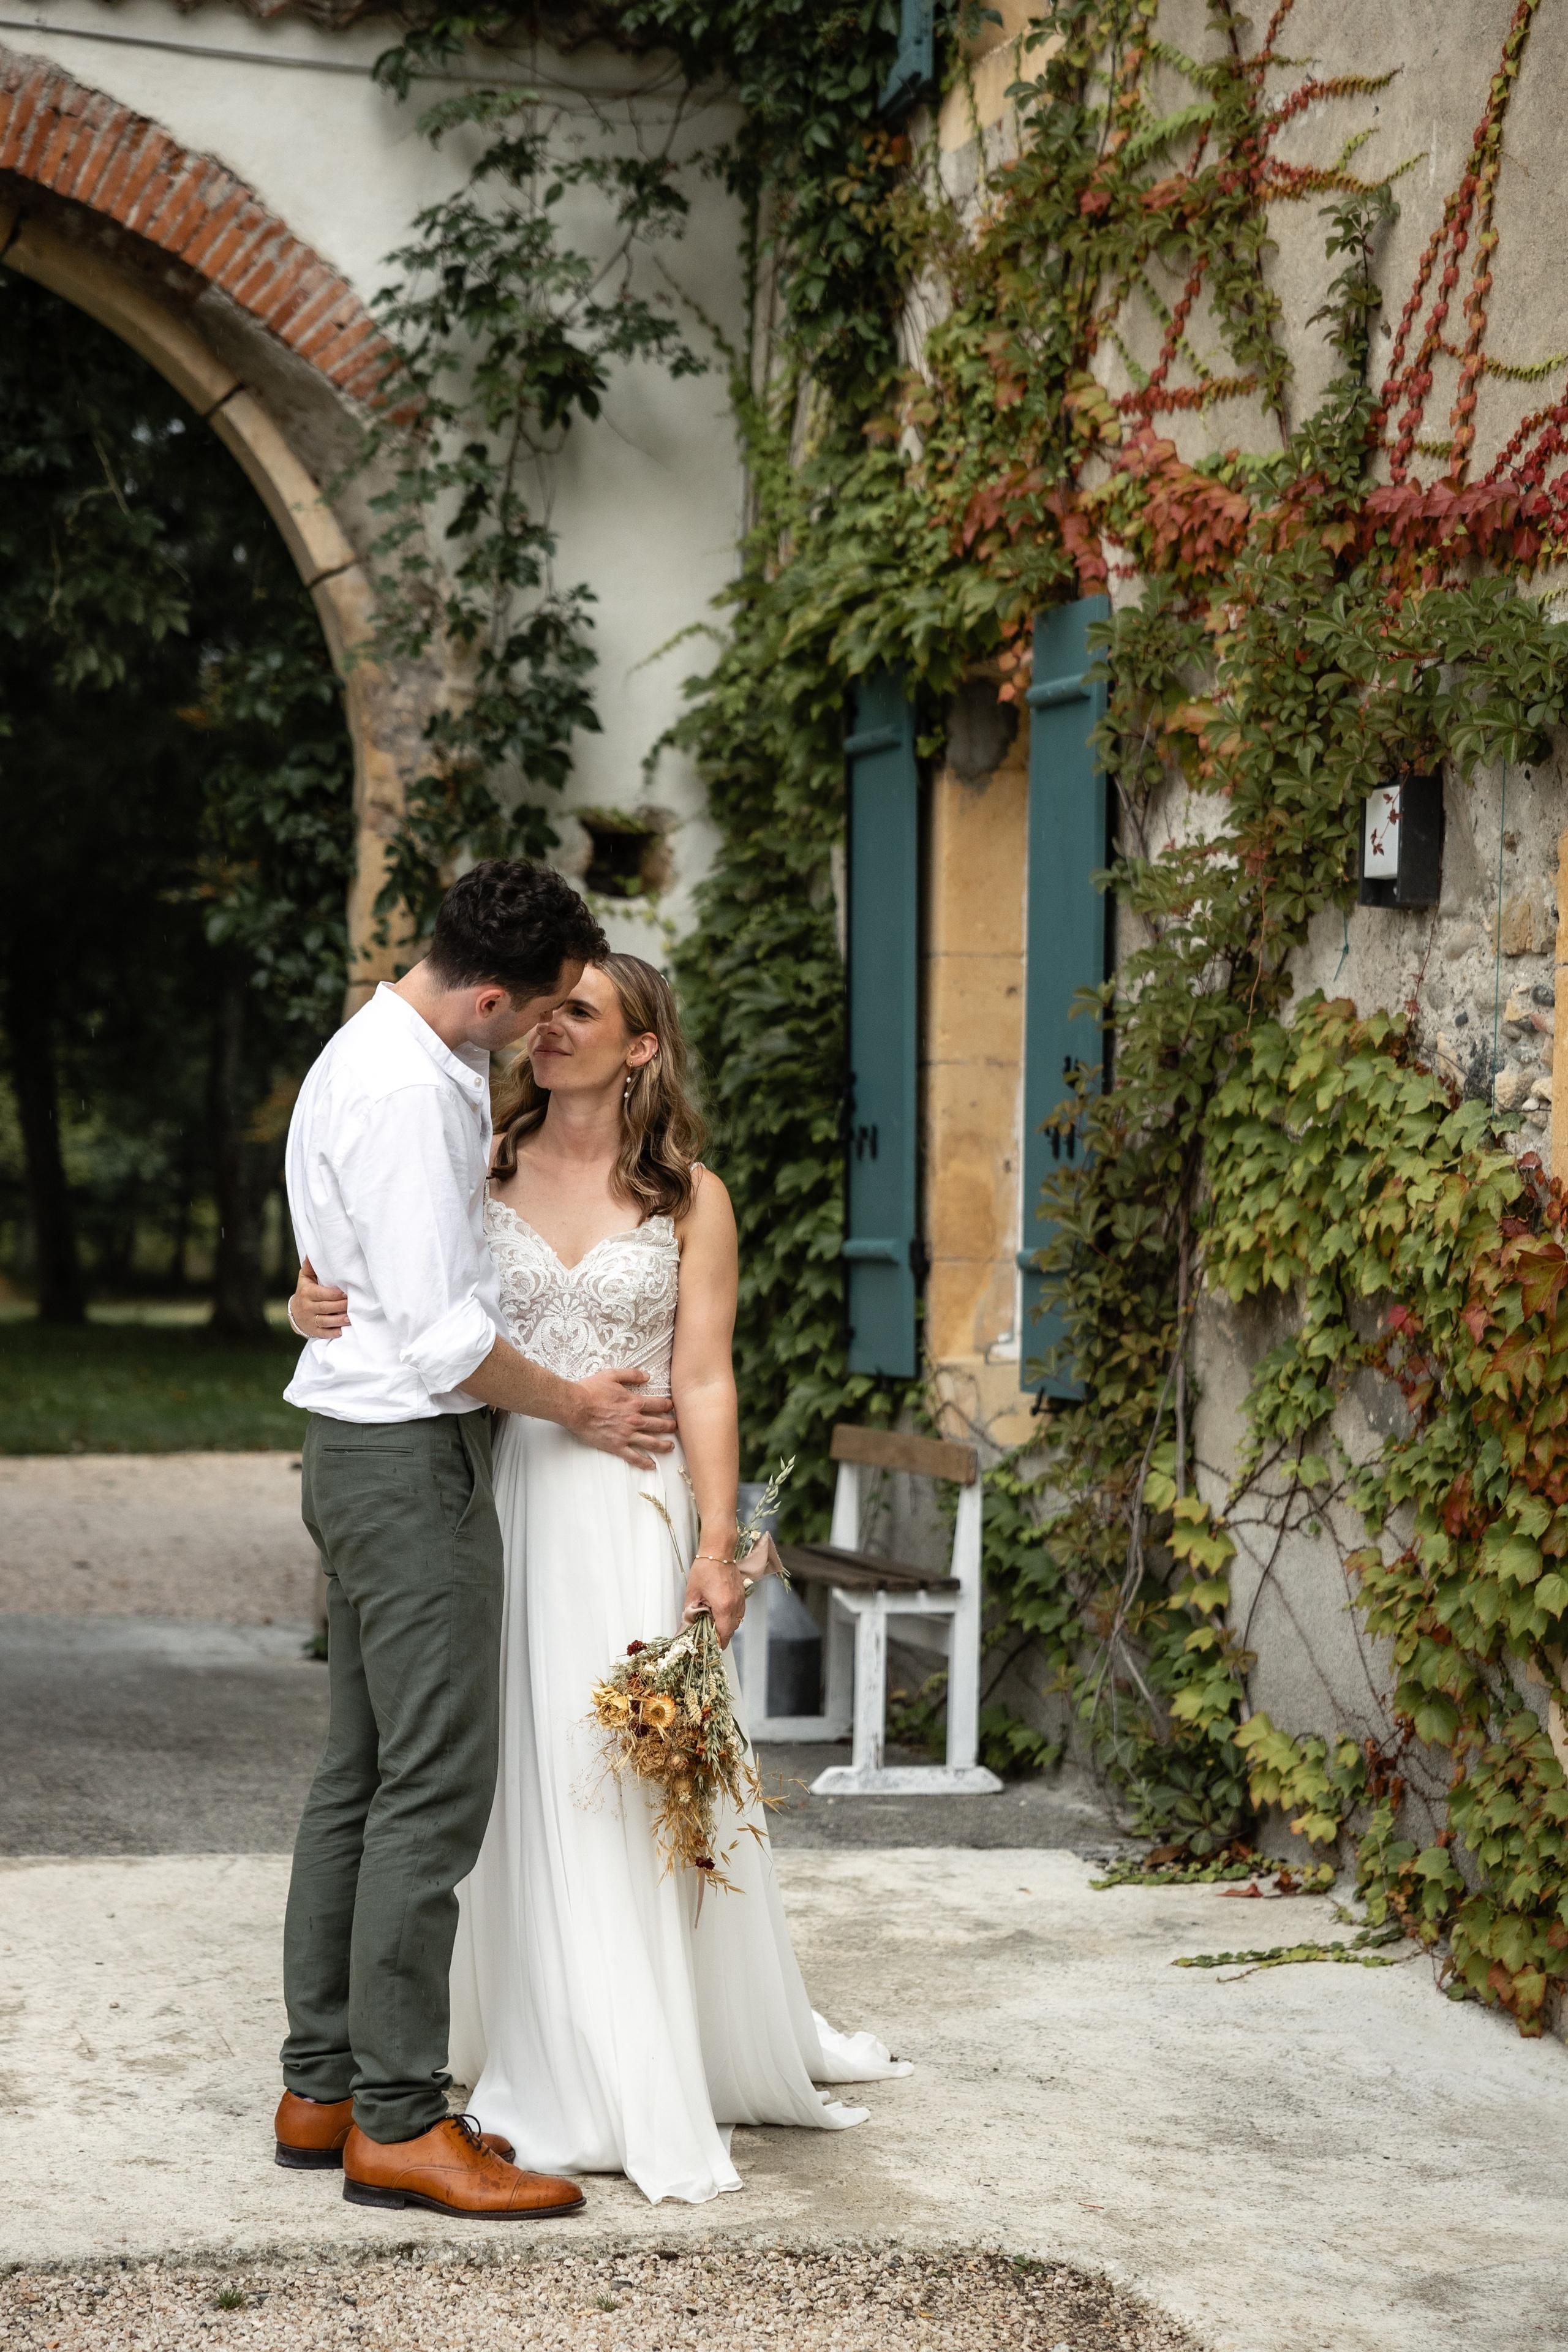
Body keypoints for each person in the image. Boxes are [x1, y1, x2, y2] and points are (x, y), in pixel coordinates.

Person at [290, 951, 908, 2205]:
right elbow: (391, 1281)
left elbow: (703, 1380)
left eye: (581, 1012)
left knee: (616, 1780)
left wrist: (718, 1541)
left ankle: (625, 2055)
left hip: (623, 1516)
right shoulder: (475, 1160)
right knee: (484, 1771)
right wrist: (304, 1301)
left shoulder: (692, 1199)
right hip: (491, 1486)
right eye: (545, 1008)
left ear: (639, 1048)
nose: (547, 1029)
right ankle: (497, 2042)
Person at [273, 861, 692, 2222]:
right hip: (404, 1464)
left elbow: (386, 1269)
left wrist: (312, 1294)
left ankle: (322, 2086)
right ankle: (395, 2118)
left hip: (365, 1445)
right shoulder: (405, 1090)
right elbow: (449, 1341)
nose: (542, 1036)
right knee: (431, 1786)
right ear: (495, 992)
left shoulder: (399, 1049)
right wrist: (574, 1401)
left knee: (363, 1768)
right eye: (540, 1011)